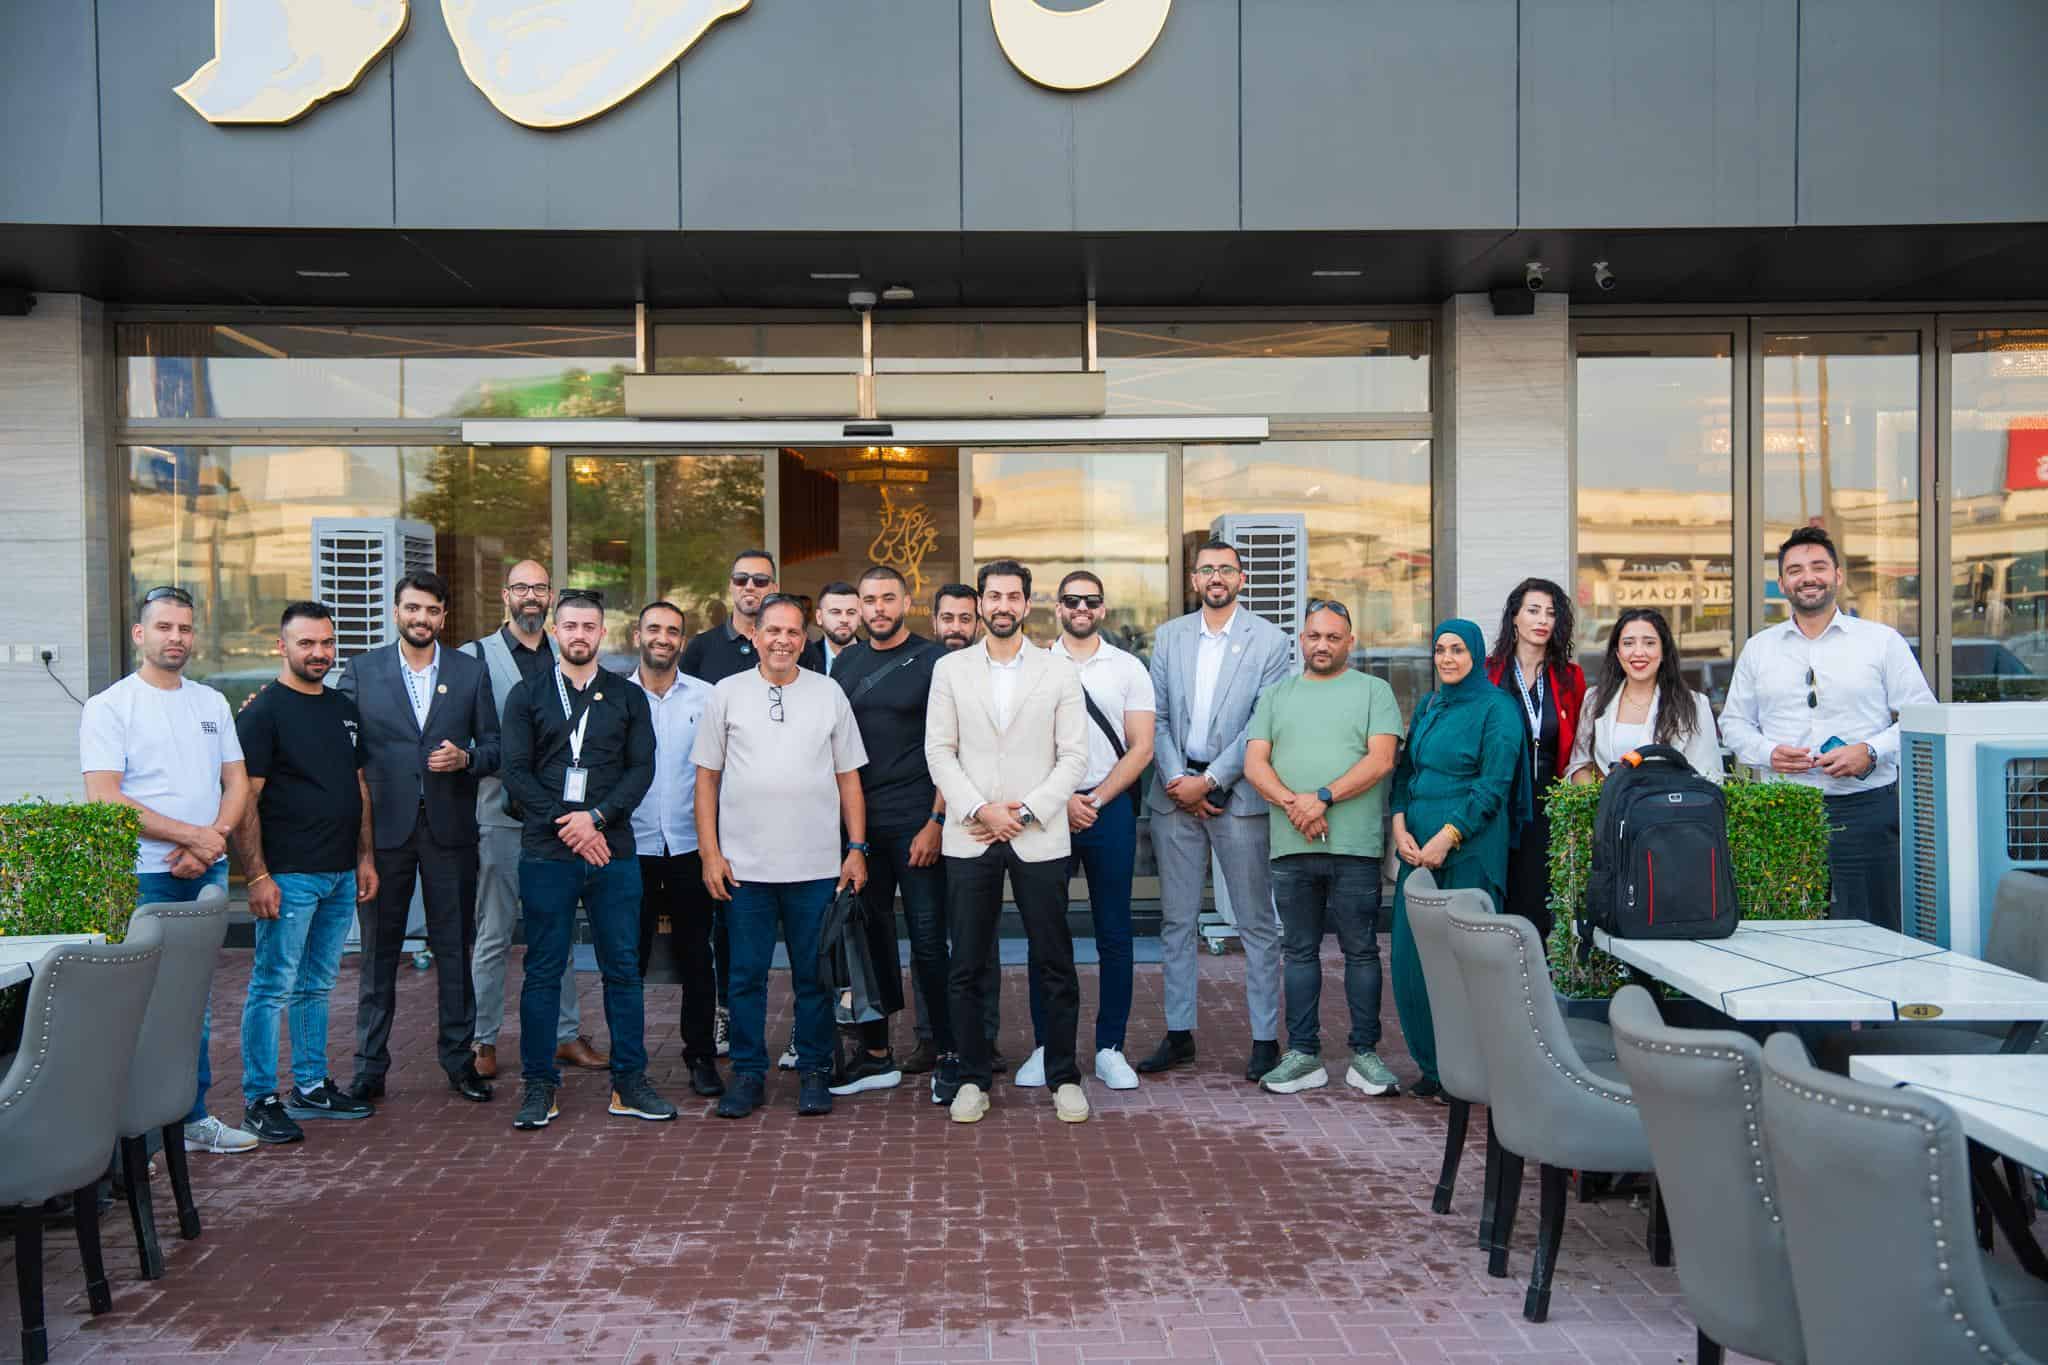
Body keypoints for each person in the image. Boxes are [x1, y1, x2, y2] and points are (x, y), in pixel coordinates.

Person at [81, 585, 258, 1155]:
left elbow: (236, 782)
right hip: (144, 878)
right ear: (140, 635)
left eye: (184, 628)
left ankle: (192, 1118)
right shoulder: (110, 707)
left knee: (194, 1002)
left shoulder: (210, 703)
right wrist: (191, 837)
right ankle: (134, 1138)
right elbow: (105, 799)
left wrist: (212, 841)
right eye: (164, 627)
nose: (176, 638)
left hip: (205, 872)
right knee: (140, 1004)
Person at [500, 589, 675, 1129]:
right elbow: (516, 772)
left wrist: (595, 818)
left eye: (589, 626)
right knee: (543, 970)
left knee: (622, 968)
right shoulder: (526, 695)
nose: (579, 634)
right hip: (547, 853)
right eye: (570, 625)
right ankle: (539, 1086)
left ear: (603, 633)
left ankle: (630, 1082)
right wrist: (570, 825)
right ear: (555, 630)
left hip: (612, 852)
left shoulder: (627, 697)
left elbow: (641, 770)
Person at [925, 560, 1090, 1124]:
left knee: (1054, 961)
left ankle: (1064, 1078)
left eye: (1012, 596)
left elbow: (1074, 756)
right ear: (981, 603)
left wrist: (1024, 810)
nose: (1002, 605)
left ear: (1026, 604)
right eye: (993, 596)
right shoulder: (950, 669)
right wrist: (980, 809)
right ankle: (972, 1079)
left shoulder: (1057, 670)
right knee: (967, 964)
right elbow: (939, 750)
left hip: (1038, 834)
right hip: (970, 833)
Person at [693, 594, 870, 1120]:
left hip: (815, 867)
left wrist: (856, 848)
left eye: (793, 632)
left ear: (803, 638)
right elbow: (706, 780)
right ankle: (748, 1074)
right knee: (745, 977)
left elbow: (848, 778)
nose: (783, 641)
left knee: (813, 976)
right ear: (755, 635)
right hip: (743, 869)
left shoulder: (828, 693)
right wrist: (710, 854)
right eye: (773, 630)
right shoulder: (726, 694)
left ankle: (815, 1070)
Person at [337, 570, 499, 1107]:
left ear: (443, 616)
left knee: (454, 950)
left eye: (431, 610)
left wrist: (467, 758)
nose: (421, 618)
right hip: (383, 833)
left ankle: (459, 1061)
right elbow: (338, 744)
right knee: (378, 955)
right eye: (412, 608)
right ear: (396, 611)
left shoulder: (470, 672)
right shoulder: (362, 671)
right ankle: (369, 1068)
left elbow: (495, 747)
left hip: (450, 831)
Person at [1720, 527, 1933, 932]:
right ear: (1782, 582)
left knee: (1873, 931)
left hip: (1866, 809)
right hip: (1784, 809)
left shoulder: (1881, 642)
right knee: (1785, 930)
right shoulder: (1759, 648)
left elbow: (1922, 717)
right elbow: (1733, 724)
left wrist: (1870, 750)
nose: (1808, 577)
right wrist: (1767, 753)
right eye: (1795, 570)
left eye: (1818, 567)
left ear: (1838, 575)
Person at [1138, 539, 1293, 1082]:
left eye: (1226, 569)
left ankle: (1264, 1039)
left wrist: (1209, 781)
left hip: (1239, 797)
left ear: (1241, 578)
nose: (1216, 577)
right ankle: (1179, 1033)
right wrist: (1178, 780)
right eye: (1207, 569)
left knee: (1256, 923)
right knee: (1176, 921)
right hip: (1173, 794)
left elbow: (1262, 722)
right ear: (1194, 579)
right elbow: (1155, 717)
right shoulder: (1170, 636)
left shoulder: (1269, 640)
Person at [1241, 600, 1403, 1098]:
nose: (1322, 645)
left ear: (1350, 641)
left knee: (1361, 951)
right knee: (1298, 952)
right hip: (1292, 846)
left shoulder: (1374, 691)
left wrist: (1324, 797)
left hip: (1354, 846)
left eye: (1333, 637)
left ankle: (1365, 1054)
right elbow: (1254, 763)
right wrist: (1296, 804)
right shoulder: (1277, 695)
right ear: (1301, 640)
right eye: (1314, 636)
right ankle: (1302, 1054)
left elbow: (1381, 759)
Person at [230, 602, 379, 1144]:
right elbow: (246, 800)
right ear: (282, 646)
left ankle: (311, 1087)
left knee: (316, 985)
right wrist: (257, 876)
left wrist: (364, 857)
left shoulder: (342, 708)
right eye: (306, 643)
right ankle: (259, 1098)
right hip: (288, 875)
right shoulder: (262, 713)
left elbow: (357, 787)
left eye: (326, 643)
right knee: (272, 986)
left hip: (339, 872)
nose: (319, 653)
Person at [460, 559, 604, 1082]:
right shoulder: (476, 657)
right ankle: (483, 1039)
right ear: (505, 595)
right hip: (501, 814)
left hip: (563, 820)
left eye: (539, 588)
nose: (530, 596)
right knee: (495, 932)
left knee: (557, 931)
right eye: (521, 587)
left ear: (550, 597)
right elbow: (471, 740)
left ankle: (564, 1035)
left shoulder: (566, 651)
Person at [1014, 569, 1155, 1092]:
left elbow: (1142, 746)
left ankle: (1110, 1047)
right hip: (1049, 806)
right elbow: (1022, 745)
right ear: (1057, 608)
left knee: (1114, 932)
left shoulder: (1127, 667)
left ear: (1102, 608)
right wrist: (1062, 799)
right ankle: (1048, 1047)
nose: (1081, 609)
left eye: (1090, 601)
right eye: (1071, 600)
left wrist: (1094, 799)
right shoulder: (1032, 665)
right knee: (1045, 932)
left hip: (1107, 805)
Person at [1388, 619, 1532, 1101]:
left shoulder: (1498, 708)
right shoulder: (1429, 705)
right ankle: (1433, 1066)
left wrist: (1448, 837)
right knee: (1411, 959)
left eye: (1457, 650)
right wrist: (1400, 828)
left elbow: (1494, 784)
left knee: (1464, 964)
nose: (1447, 658)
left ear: (1476, 654)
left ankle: (1469, 1073)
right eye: (1440, 649)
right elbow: (1405, 773)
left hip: (1470, 849)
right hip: (1416, 849)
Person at [824, 566, 942, 1099]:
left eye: (887, 598)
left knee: (928, 941)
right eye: (868, 600)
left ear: (906, 602)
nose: (877, 608)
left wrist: (937, 821)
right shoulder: (846, 663)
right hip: (860, 828)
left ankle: (943, 1049)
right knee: (866, 941)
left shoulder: (934, 661)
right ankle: (875, 1054)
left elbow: (951, 745)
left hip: (917, 823)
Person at [900, 582, 1005, 1075]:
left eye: (966, 618)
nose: (957, 628)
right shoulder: (921, 668)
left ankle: (985, 1037)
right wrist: (930, 821)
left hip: (974, 822)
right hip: (920, 821)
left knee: (981, 937)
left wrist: (942, 816)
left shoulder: (989, 671)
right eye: (948, 618)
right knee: (927, 936)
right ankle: (933, 1037)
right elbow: (934, 749)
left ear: (978, 620)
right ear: (934, 620)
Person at [680, 548, 781, 1054]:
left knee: (785, 924)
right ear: (730, 586)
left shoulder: (790, 645)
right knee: (724, 919)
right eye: (742, 579)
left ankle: (795, 1027)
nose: (750, 588)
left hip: (782, 814)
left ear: (773, 587)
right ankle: (723, 1013)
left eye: (761, 580)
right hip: (722, 811)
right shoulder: (701, 649)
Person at [626, 600, 723, 1099]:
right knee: (629, 959)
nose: (662, 638)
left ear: (683, 641)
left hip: (690, 845)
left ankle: (701, 1056)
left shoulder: (707, 698)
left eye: (672, 631)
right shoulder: (616, 697)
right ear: (637, 636)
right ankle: (629, 1062)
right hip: (632, 846)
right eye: (654, 629)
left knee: (696, 957)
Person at [1483, 577, 1586, 943]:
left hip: (1546, 806)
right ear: (1515, 616)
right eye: (1533, 610)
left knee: (1538, 903)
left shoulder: (1570, 677)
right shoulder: (1488, 672)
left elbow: (1579, 746)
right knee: (1496, 897)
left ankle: (1534, 975)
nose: (1542, 620)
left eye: (1551, 613)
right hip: (1498, 803)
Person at [1567, 608, 1723, 785]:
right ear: (1617, 653)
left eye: (1649, 643)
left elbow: (1709, 776)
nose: (1639, 652)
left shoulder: (1694, 704)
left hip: (1672, 802)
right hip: (1608, 802)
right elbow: (1579, 765)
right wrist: (1602, 792)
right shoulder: (1594, 700)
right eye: (1628, 643)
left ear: (1663, 651)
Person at [800, 581, 861, 676]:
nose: (844, 620)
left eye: (851, 612)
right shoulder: (802, 659)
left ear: (860, 618)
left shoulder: (875, 659)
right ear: (819, 617)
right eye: (835, 612)